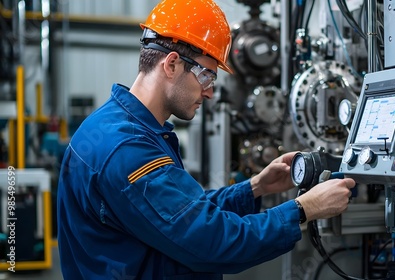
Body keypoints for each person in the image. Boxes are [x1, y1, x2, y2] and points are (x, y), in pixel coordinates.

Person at [56, 0, 356, 279]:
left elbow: (182, 211)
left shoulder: (123, 127)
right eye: (206, 76)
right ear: (171, 64)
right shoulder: (127, 149)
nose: (210, 92)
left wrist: (255, 187)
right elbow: (212, 243)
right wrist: (304, 209)